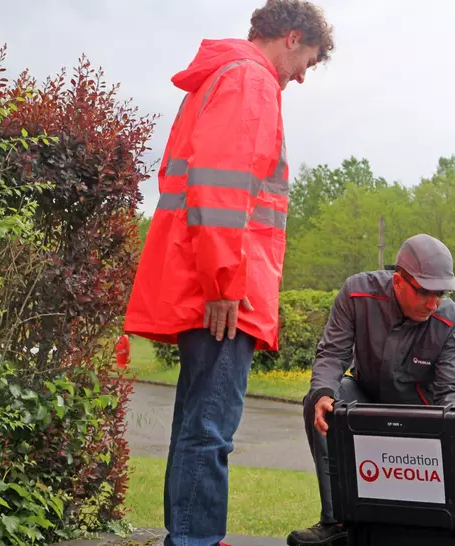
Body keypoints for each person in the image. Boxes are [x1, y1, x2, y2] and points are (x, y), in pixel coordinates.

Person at [122, 2, 334, 544]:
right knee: (209, 429)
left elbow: (208, 187)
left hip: (206, 280)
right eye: (307, 61)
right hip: (223, 292)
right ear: (292, 38)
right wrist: (224, 285)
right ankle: (195, 540)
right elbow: (221, 191)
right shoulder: (250, 81)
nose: (302, 76)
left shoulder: (222, 77)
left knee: (196, 426)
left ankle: (188, 537)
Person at [288, 234, 455, 546]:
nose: (432, 303)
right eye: (423, 292)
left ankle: (436, 524)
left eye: (440, 293)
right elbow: (332, 354)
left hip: (423, 414)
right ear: (398, 281)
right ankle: (336, 520)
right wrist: (323, 393)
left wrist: (449, 427)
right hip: (367, 399)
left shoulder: (450, 319)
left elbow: (454, 391)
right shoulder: (357, 294)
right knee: (323, 401)